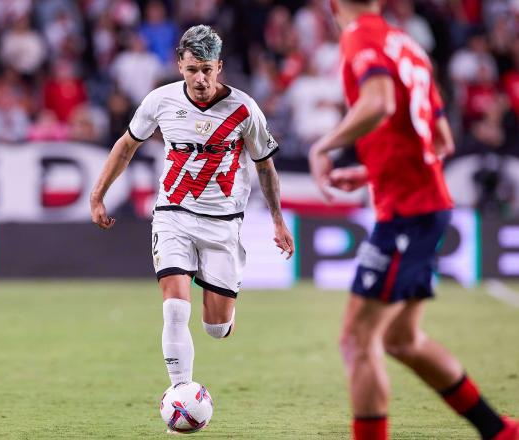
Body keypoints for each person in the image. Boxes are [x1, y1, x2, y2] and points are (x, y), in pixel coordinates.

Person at [308, 1, 519, 440]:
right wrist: (372, 171)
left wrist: (323, 145)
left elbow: (380, 102)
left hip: (407, 213)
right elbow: (440, 140)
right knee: (401, 339)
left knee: (357, 340)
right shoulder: (407, 44)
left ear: (330, 5)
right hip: (426, 205)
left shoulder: (359, 35)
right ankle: (498, 431)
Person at [90, 24, 294, 400]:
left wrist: (278, 221)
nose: (199, 79)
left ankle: (219, 305)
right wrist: (98, 194)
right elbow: (126, 146)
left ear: (219, 66)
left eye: (206, 69)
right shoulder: (160, 101)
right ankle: (181, 394)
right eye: (191, 70)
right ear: (179, 67)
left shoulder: (245, 109)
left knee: (216, 328)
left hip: (223, 224)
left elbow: (265, 166)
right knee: (173, 310)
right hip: (173, 214)